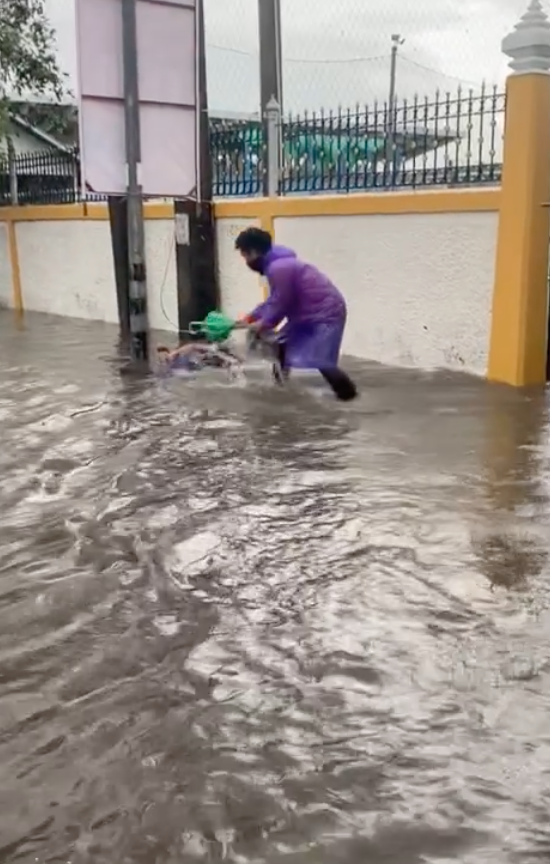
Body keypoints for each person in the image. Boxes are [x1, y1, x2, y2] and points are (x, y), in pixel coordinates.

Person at [235, 227, 357, 400]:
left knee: (322, 361)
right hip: (307, 315)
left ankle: (349, 397)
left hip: (325, 313)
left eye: (245, 255)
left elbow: (282, 301)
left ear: (254, 251)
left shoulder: (279, 268)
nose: (246, 261)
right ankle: (281, 389)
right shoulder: (278, 265)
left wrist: (264, 323)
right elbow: (274, 300)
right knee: (281, 347)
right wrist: (251, 317)